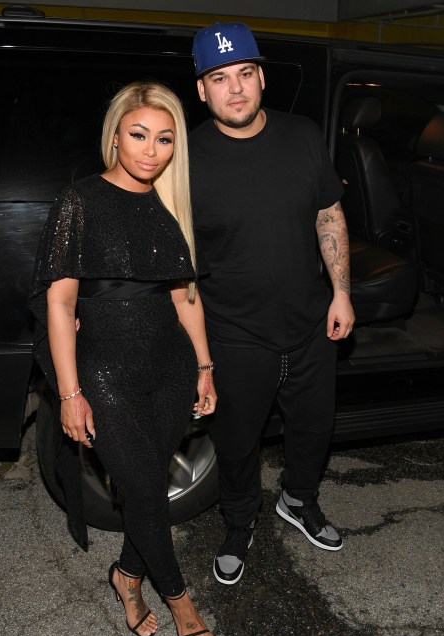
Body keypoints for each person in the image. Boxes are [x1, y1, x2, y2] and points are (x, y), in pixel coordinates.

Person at [29, 81, 216, 636]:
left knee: (146, 487)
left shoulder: (171, 204)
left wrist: (204, 366)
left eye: (165, 139)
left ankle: (127, 574)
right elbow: (60, 303)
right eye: (139, 135)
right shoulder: (80, 201)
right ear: (115, 136)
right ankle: (179, 597)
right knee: (142, 486)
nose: (151, 151)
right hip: (105, 371)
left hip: (169, 366)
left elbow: (185, 297)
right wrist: (69, 393)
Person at [189, 23, 355, 586]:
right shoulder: (185, 157)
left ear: (261, 77)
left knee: (314, 428)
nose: (235, 89)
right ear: (202, 90)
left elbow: (328, 213)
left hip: (311, 323)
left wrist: (341, 293)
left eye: (244, 73)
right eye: (219, 78)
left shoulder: (302, 135)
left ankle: (299, 499)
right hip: (233, 332)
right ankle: (239, 522)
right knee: (237, 443)